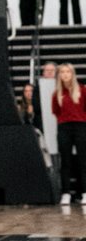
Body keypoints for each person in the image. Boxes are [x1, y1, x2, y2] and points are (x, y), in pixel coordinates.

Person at [52, 63, 86, 206]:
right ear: (59, 75)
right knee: (65, 161)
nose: (65, 74)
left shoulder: (83, 90)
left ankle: (84, 192)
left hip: (80, 126)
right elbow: (56, 111)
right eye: (62, 72)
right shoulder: (57, 94)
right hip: (64, 127)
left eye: (68, 72)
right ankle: (66, 193)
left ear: (72, 74)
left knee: (83, 160)